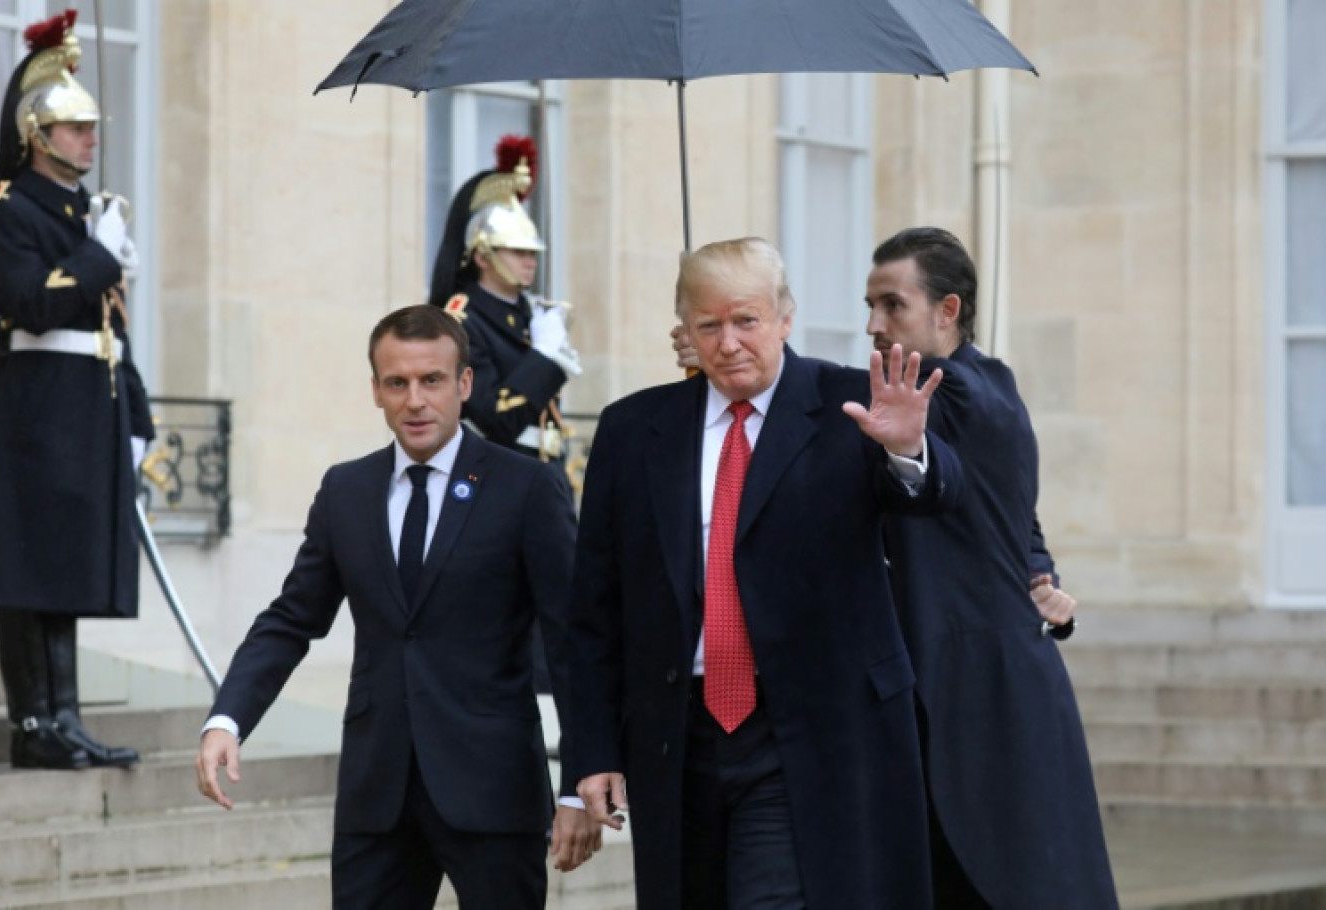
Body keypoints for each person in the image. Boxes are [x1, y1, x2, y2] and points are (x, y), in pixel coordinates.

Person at [569, 237, 963, 909]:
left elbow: (928, 499)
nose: (728, 342)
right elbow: (594, 610)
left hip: (810, 731)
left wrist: (907, 450)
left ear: (786, 317)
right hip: (678, 736)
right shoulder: (634, 429)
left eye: (746, 320)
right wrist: (592, 748)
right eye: (709, 325)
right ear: (685, 332)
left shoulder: (855, 405)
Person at [194, 306, 600, 908]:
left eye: (432, 381)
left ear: (464, 385)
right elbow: (291, 620)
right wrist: (226, 719)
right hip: (376, 794)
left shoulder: (527, 488)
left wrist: (578, 788)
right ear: (376, 392)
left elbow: (575, 642)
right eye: (397, 383)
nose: (416, 400)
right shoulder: (345, 491)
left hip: (492, 792)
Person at [865, 227, 1117, 908]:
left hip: (983, 701)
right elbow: (1014, 518)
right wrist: (1040, 575)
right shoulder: (993, 382)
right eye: (871, 305)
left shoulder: (961, 397)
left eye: (893, 305)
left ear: (947, 312)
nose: (873, 325)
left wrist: (735, 358)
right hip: (992, 680)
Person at [0, 10, 151, 771]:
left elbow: (112, 330)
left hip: (86, 403)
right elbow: (32, 304)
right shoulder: (7, 212)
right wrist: (100, 259)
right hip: (36, 405)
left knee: (64, 566)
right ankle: (32, 726)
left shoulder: (83, 214)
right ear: (38, 134)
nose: (90, 139)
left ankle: (65, 718)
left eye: (91, 128)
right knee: (27, 566)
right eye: (75, 129)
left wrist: (135, 414)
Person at [429, 134, 581, 467]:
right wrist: (543, 356)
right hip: (498, 469)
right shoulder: (460, 321)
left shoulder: (531, 313)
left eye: (532, 252)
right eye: (517, 251)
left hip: (546, 466)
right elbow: (496, 418)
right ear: (482, 256)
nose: (530, 261)